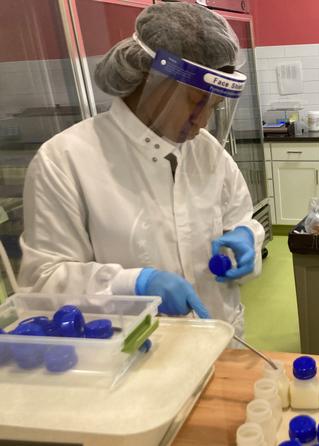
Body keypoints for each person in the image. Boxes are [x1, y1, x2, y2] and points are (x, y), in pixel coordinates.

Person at [18, 2, 264, 339]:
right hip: (135, 359)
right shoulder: (64, 161)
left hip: (220, 340)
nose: (203, 121)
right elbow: (42, 284)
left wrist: (247, 235)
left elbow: (239, 216)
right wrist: (133, 284)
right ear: (152, 79)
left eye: (214, 106)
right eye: (194, 101)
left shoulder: (207, 152)